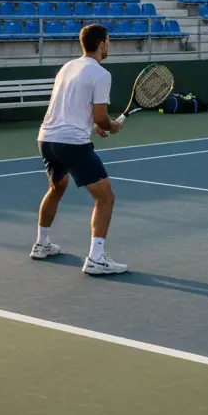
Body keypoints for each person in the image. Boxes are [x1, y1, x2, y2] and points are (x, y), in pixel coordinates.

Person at [32, 24, 128, 275]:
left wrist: (94, 124)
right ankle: (96, 259)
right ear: (101, 44)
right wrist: (111, 125)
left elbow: (71, 105)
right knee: (105, 196)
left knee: (56, 187)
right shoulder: (101, 74)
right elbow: (100, 116)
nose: (109, 45)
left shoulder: (68, 67)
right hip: (71, 142)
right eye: (108, 41)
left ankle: (41, 244)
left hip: (47, 138)